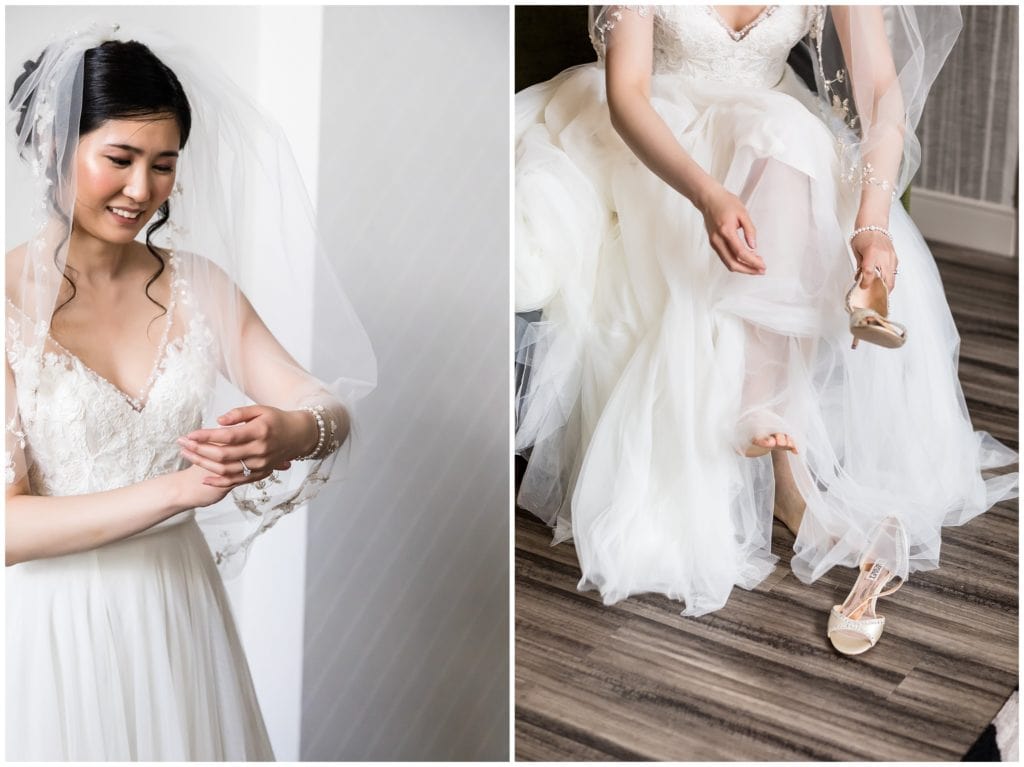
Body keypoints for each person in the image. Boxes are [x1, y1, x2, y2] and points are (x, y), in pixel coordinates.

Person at [515, 6, 1018, 652]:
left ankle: (784, 461)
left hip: (775, 130)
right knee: (782, 140)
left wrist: (872, 224)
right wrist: (707, 197)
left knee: (791, 143)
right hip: (657, 139)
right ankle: (778, 444)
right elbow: (627, 95)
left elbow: (882, 92)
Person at [5, 26, 375, 759]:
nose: (142, 190)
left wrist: (294, 430)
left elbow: (330, 407)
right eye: (119, 158)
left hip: (179, 608)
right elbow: (7, 527)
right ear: (54, 147)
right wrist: (177, 492)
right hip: (54, 628)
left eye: (164, 165)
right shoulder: (3, 300)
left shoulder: (199, 285)